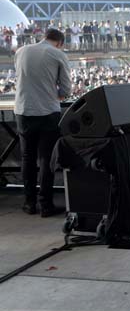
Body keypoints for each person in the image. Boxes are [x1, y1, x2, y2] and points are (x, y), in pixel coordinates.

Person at [15, 28, 71, 217]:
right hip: (47, 112)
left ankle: (29, 203)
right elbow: (65, 89)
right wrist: (54, 93)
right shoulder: (58, 54)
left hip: (23, 111)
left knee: (27, 158)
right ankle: (45, 205)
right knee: (46, 159)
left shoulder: (21, 51)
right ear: (60, 42)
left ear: (44, 37)